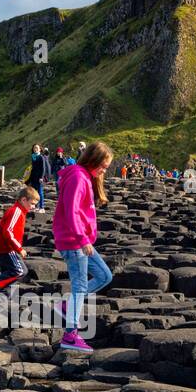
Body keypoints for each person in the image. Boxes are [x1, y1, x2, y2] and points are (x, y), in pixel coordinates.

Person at [53, 141, 115, 353]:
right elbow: (71, 212)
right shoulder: (79, 177)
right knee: (79, 285)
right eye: (103, 166)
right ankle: (70, 336)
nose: (104, 171)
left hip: (80, 240)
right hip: (74, 241)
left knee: (105, 276)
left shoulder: (85, 177)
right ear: (93, 160)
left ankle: (67, 305)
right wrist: (82, 239)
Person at [0, 185, 38, 304]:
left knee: (9, 274)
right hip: (7, 249)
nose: (33, 207)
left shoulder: (19, 211)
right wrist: (19, 248)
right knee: (20, 271)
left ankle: (3, 298)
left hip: (5, 248)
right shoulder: (16, 211)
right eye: (32, 204)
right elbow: (8, 231)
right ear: (23, 200)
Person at [27, 144, 47, 212]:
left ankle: (42, 207)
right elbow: (32, 168)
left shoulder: (41, 157)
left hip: (39, 178)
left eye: (37, 148)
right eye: (34, 148)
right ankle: (36, 206)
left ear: (40, 149)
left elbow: (43, 168)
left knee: (40, 192)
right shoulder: (33, 157)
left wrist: (41, 177)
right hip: (33, 177)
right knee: (34, 193)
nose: (35, 149)